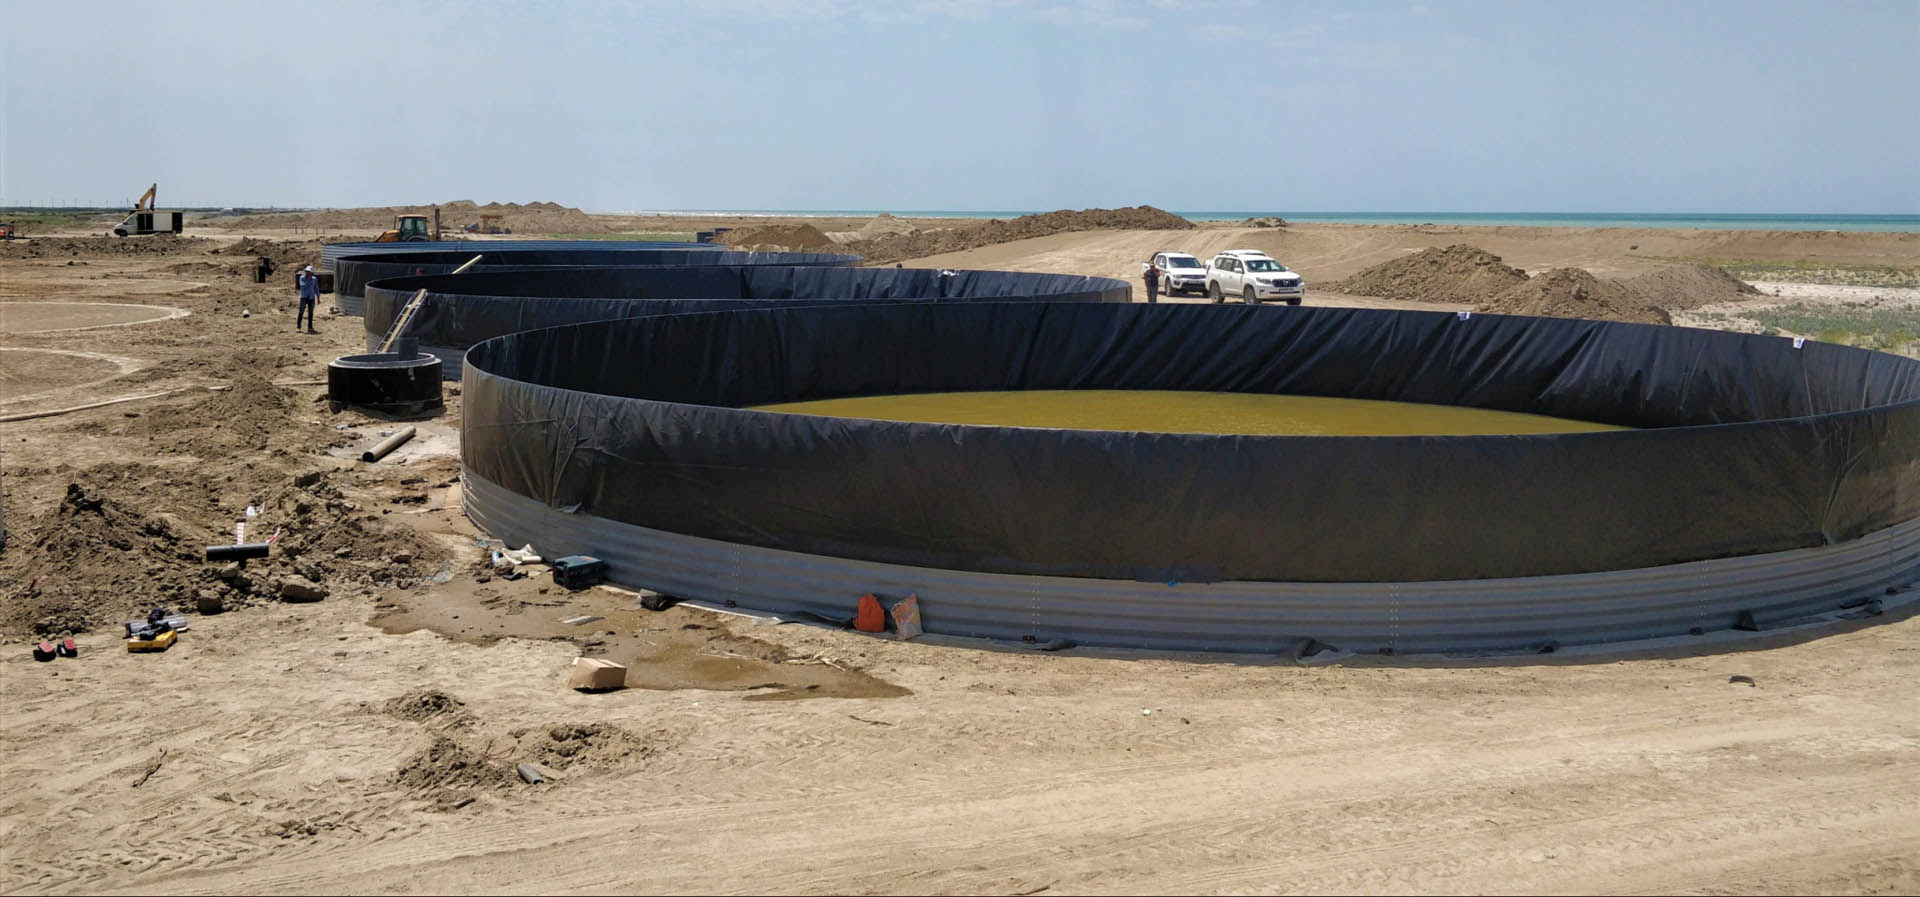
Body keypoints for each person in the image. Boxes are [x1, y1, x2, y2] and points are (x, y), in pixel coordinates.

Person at [295, 265, 319, 333]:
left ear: (311, 273)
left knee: (311, 313)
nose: (307, 273)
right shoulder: (302, 278)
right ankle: (298, 327)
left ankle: (310, 327)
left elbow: (316, 288)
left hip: (311, 297)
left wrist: (318, 297)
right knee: (301, 312)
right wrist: (308, 280)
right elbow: (302, 285)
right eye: (306, 271)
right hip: (304, 297)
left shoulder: (314, 279)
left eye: (308, 272)